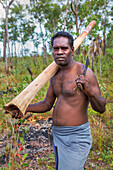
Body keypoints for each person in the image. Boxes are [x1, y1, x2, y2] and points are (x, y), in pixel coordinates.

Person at [11, 31, 106, 170]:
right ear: (52, 51)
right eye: (56, 49)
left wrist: (89, 92)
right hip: (58, 135)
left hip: (77, 137)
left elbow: (101, 108)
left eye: (64, 48)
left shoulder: (84, 72)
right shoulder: (55, 74)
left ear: (72, 50)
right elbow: (47, 104)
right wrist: (24, 108)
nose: (60, 52)